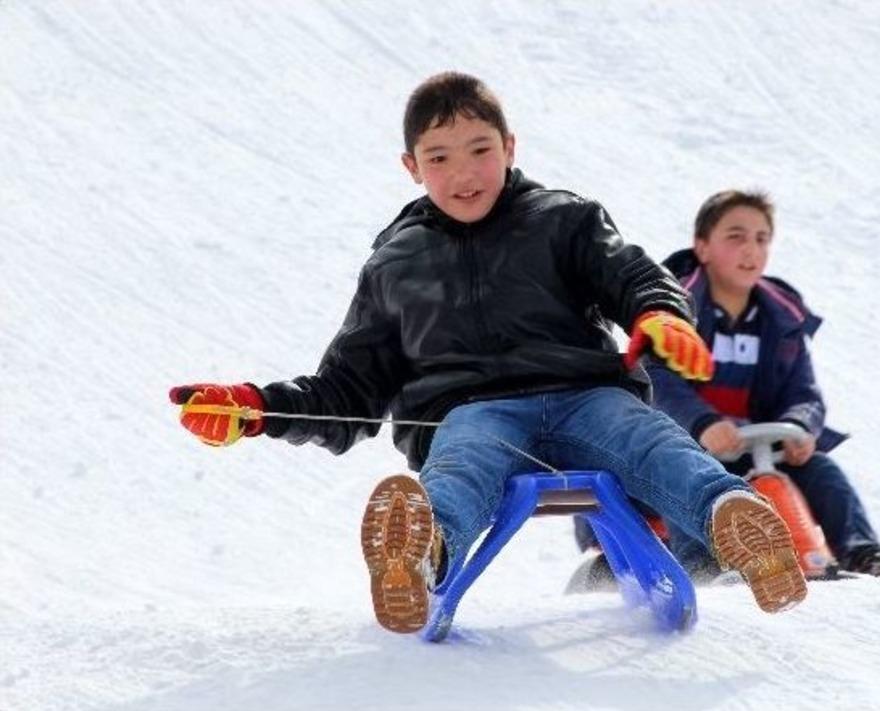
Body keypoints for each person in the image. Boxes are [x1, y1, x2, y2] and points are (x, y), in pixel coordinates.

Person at [168, 73, 808, 634]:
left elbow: (635, 277)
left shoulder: (565, 221)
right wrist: (256, 409)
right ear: (412, 167)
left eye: (480, 150)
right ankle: (420, 557)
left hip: (587, 398)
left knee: (650, 441)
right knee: (461, 466)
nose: (464, 173)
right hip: (474, 412)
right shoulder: (395, 264)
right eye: (439, 157)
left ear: (510, 148)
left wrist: (661, 314)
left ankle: (735, 520)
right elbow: (346, 389)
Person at [642, 189, 880, 578]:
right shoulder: (672, 311)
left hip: (757, 448)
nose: (751, 250)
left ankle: (860, 553)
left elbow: (804, 392)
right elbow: (656, 379)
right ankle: (705, 567)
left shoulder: (782, 320)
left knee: (821, 472)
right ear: (702, 247)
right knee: (691, 479)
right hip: (682, 449)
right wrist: (702, 424)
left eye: (761, 239)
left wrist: (799, 427)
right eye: (735, 237)